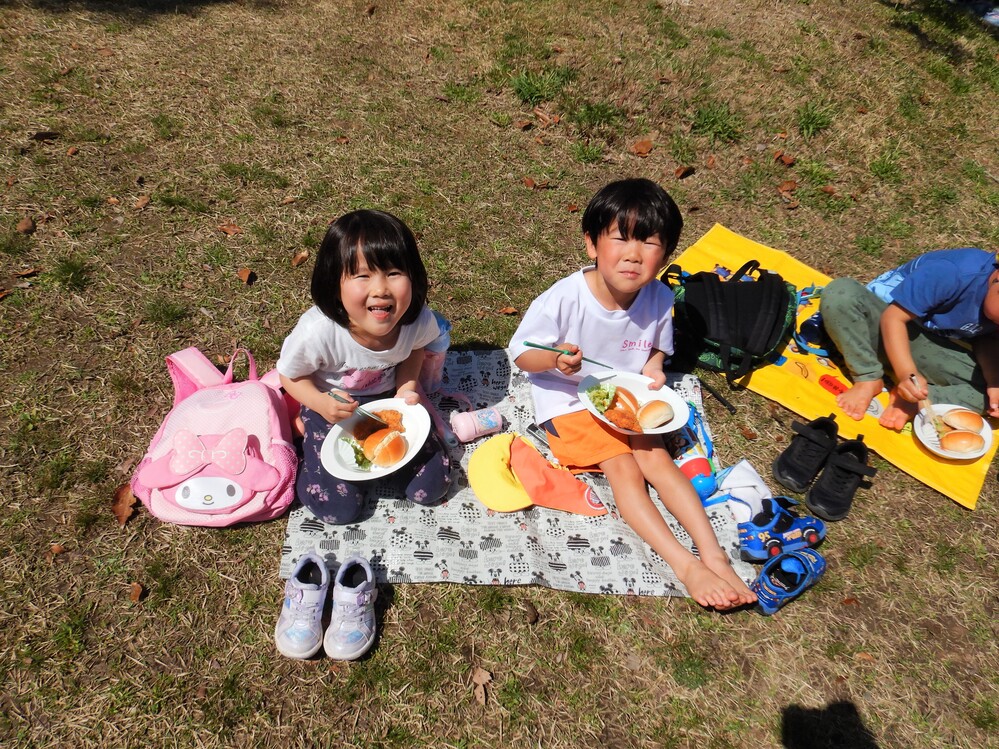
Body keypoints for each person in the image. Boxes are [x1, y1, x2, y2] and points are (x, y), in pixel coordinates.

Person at [509, 178, 756, 610]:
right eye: (620, 238)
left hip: (624, 397)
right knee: (624, 468)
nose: (633, 254)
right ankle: (684, 564)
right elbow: (522, 354)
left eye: (649, 243)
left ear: (666, 254)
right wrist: (554, 360)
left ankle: (713, 553)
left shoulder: (659, 297)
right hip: (569, 399)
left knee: (657, 460)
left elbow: (657, 346)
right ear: (592, 244)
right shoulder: (565, 299)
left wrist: (654, 367)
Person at [277, 209, 451, 524]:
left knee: (431, 487)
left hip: (390, 406)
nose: (381, 288)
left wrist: (407, 385)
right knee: (338, 510)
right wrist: (320, 403)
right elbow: (290, 375)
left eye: (395, 272)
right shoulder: (319, 332)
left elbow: (416, 349)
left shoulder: (417, 320)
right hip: (334, 409)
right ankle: (310, 451)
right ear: (334, 283)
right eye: (362, 275)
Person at [820, 248, 999, 429]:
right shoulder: (952, 272)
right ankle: (867, 375)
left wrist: (993, 381)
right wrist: (907, 373)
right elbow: (893, 318)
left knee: (993, 395)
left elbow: (987, 338)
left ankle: (918, 398)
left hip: (928, 344)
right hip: (881, 323)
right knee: (841, 293)